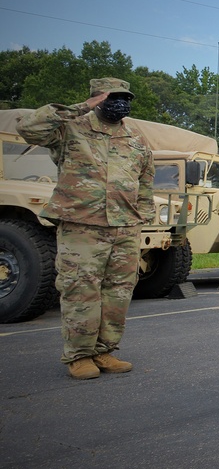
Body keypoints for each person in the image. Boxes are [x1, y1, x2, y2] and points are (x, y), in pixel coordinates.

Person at [17, 78, 154, 379]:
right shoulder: (70, 128)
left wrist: (142, 215)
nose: (121, 103)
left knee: (118, 292)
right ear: (98, 98)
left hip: (124, 226)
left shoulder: (135, 136)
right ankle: (79, 356)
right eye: (114, 97)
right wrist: (80, 108)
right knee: (81, 290)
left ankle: (104, 351)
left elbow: (145, 177)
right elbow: (28, 128)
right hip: (82, 225)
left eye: (126, 97)